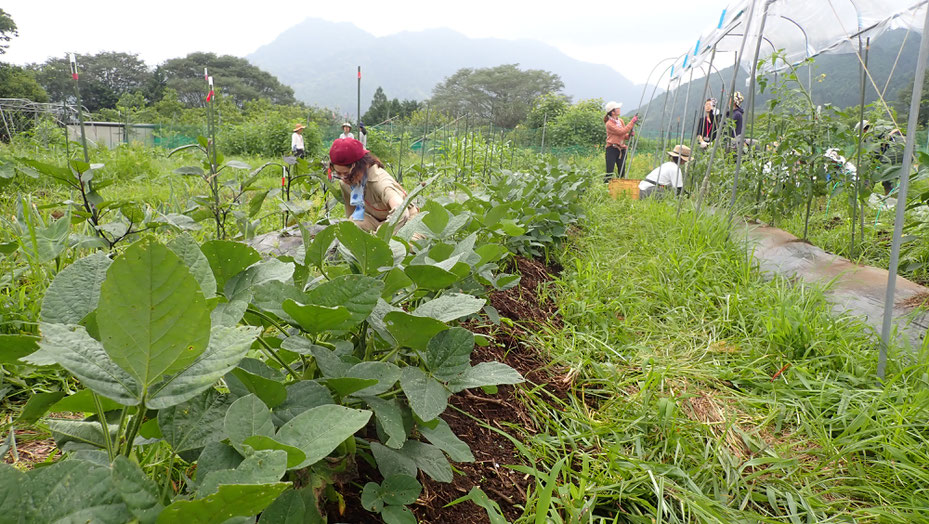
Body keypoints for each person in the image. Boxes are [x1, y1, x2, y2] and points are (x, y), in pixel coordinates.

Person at [329, 137, 417, 232]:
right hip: (377, 221)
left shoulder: (380, 181)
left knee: (405, 246)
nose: (343, 178)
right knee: (352, 225)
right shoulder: (345, 183)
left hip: (407, 222)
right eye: (338, 174)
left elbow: (402, 212)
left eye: (346, 174)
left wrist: (381, 235)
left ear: (360, 166)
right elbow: (351, 215)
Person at [604, 101, 638, 182]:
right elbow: (621, 131)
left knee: (621, 171)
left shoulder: (620, 121)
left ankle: (619, 187)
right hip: (612, 149)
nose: (619, 109)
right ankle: (606, 187)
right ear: (612, 112)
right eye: (617, 108)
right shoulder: (609, 124)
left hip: (622, 149)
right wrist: (632, 122)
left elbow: (623, 135)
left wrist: (629, 136)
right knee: (610, 172)